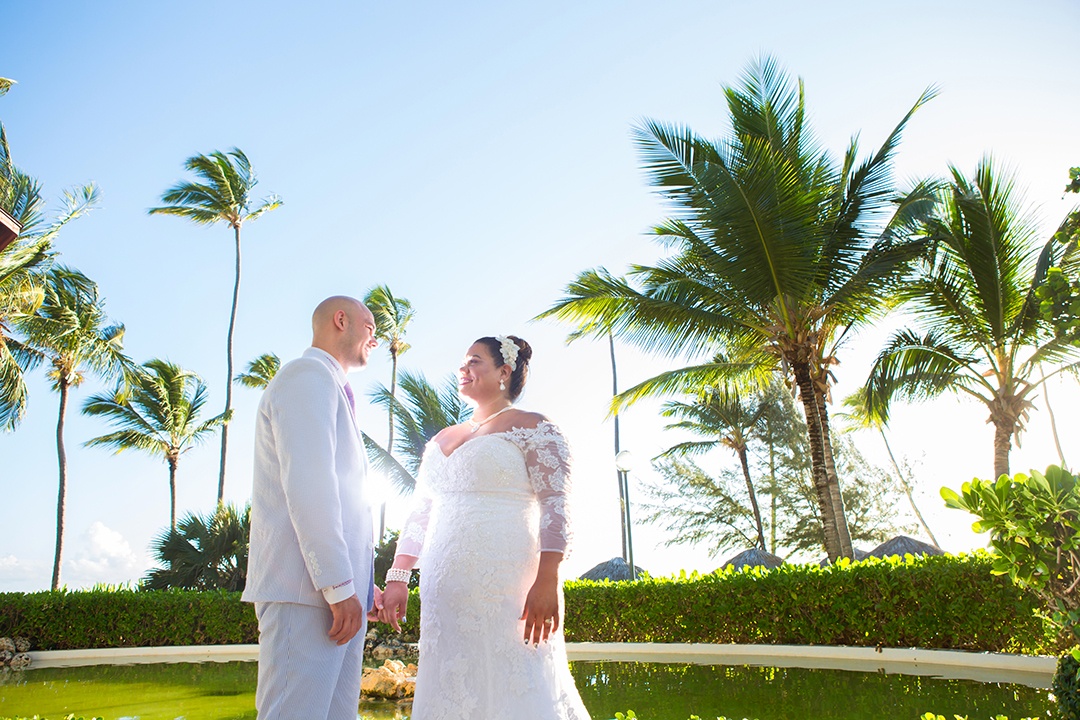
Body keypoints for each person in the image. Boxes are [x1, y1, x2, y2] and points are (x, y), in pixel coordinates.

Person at [380, 335, 591, 720]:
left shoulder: (534, 427)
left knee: (514, 680)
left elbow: (556, 508)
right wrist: (398, 576)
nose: (463, 369)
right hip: (443, 592)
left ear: (504, 372)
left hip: (508, 585)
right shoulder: (441, 438)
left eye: (474, 361)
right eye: (463, 362)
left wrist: (548, 579)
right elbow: (419, 514)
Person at [241, 295, 384, 720]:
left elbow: (343, 502)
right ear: (341, 320)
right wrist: (340, 586)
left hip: (334, 596)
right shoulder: (306, 376)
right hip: (307, 592)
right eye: (370, 326)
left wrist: (360, 584)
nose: (375, 338)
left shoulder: (330, 385)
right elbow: (310, 485)